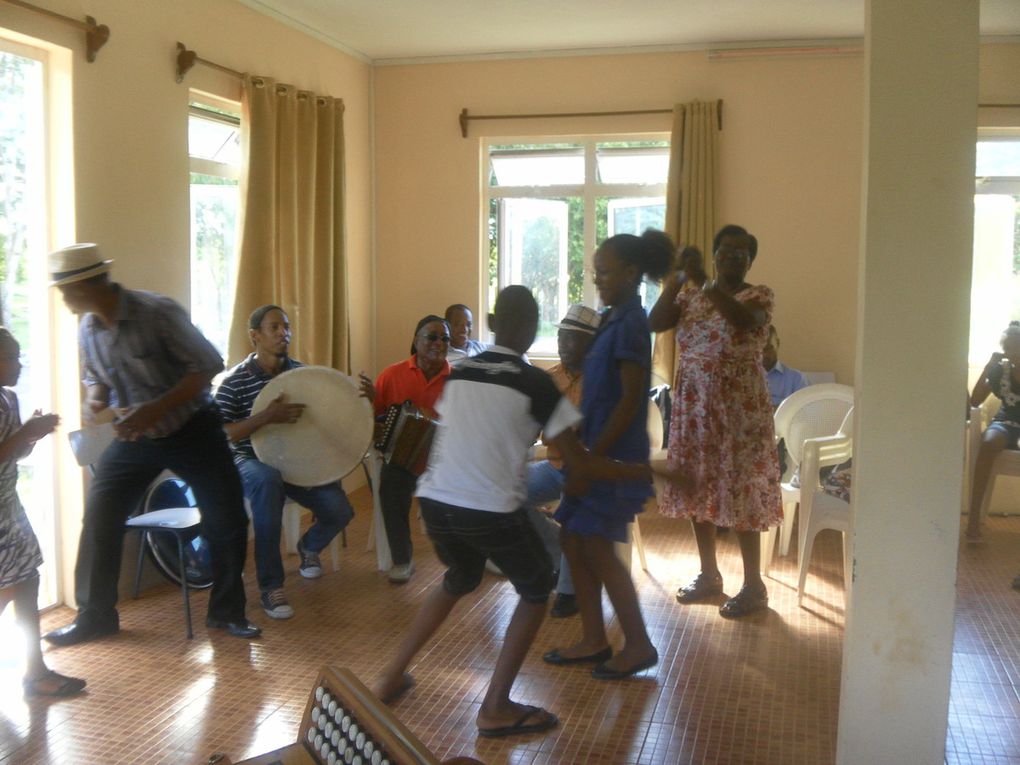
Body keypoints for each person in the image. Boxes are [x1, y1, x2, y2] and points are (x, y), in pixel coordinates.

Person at [372, 285, 660, 736]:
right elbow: (576, 461)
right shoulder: (535, 382)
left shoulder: (461, 371)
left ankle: (389, 676)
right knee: (535, 585)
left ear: (490, 320)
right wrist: (647, 473)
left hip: (434, 501)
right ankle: (496, 706)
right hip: (486, 508)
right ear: (533, 328)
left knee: (458, 577)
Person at [43, 244, 259, 645]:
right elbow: (96, 378)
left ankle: (227, 612)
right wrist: (94, 399)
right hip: (136, 437)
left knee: (226, 520)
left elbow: (208, 365)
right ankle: (96, 617)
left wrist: (154, 409)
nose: (63, 299)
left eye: (65, 291)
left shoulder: (157, 313)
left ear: (87, 286)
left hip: (193, 429)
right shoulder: (88, 328)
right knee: (100, 517)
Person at [543, 230, 672, 680]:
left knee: (597, 547)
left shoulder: (633, 323)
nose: (597, 279)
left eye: (604, 271)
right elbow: (599, 394)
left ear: (631, 273)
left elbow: (630, 400)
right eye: (595, 271)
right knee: (573, 540)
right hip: (594, 450)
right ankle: (594, 638)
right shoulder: (612, 317)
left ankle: (637, 644)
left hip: (611, 458)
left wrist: (591, 458)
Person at [650, 225, 783, 618]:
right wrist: (676, 277)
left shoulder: (759, 295)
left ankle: (754, 585)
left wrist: (703, 282)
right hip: (695, 410)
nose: (732, 257)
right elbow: (656, 322)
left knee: (742, 494)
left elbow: (741, 319)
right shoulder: (690, 294)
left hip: (740, 413)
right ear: (714, 254)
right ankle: (709, 574)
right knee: (697, 488)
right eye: (725, 250)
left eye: (742, 252)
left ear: (750, 260)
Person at [215, 305, 355, 619]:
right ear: (254, 336)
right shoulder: (234, 382)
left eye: (287, 327)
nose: (284, 333)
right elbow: (220, 434)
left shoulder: (303, 375)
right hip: (249, 463)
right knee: (267, 481)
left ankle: (309, 546)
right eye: (275, 327)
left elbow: (321, 418)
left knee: (339, 510)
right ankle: (270, 585)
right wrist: (266, 417)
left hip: (295, 463)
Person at [0, 328, 86, 696]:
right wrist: (24, 434)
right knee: (9, 587)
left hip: (8, 506)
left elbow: (16, 453)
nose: (19, 365)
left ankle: (35, 672)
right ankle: (34, 672)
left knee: (28, 579)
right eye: (12, 357)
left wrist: (30, 435)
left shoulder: (8, 399)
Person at [359, 315, 452, 583]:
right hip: (401, 460)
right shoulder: (392, 374)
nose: (439, 343)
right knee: (391, 485)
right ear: (415, 340)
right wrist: (375, 406)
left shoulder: (457, 381)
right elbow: (374, 421)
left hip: (440, 464)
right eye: (432, 337)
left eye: (444, 338)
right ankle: (402, 560)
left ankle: (456, 558)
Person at [524, 303, 601, 618]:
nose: (562, 344)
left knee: (574, 506)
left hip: (590, 473)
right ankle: (558, 555)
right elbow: (531, 428)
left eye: (571, 338)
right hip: (555, 466)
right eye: (561, 336)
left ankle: (570, 592)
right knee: (507, 492)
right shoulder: (549, 379)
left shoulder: (604, 380)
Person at [965, 321, 1020, 542]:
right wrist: (989, 367)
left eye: (1016, 348)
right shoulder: (1000, 371)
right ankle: (973, 520)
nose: (1012, 354)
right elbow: (975, 401)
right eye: (1009, 349)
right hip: (1006, 423)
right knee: (988, 443)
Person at [763, 325, 810, 409]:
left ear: (777, 343)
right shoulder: (743, 379)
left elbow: (805, 414)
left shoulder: (797, 379)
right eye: (760, 348)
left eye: (769, 348)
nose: (764, 354)